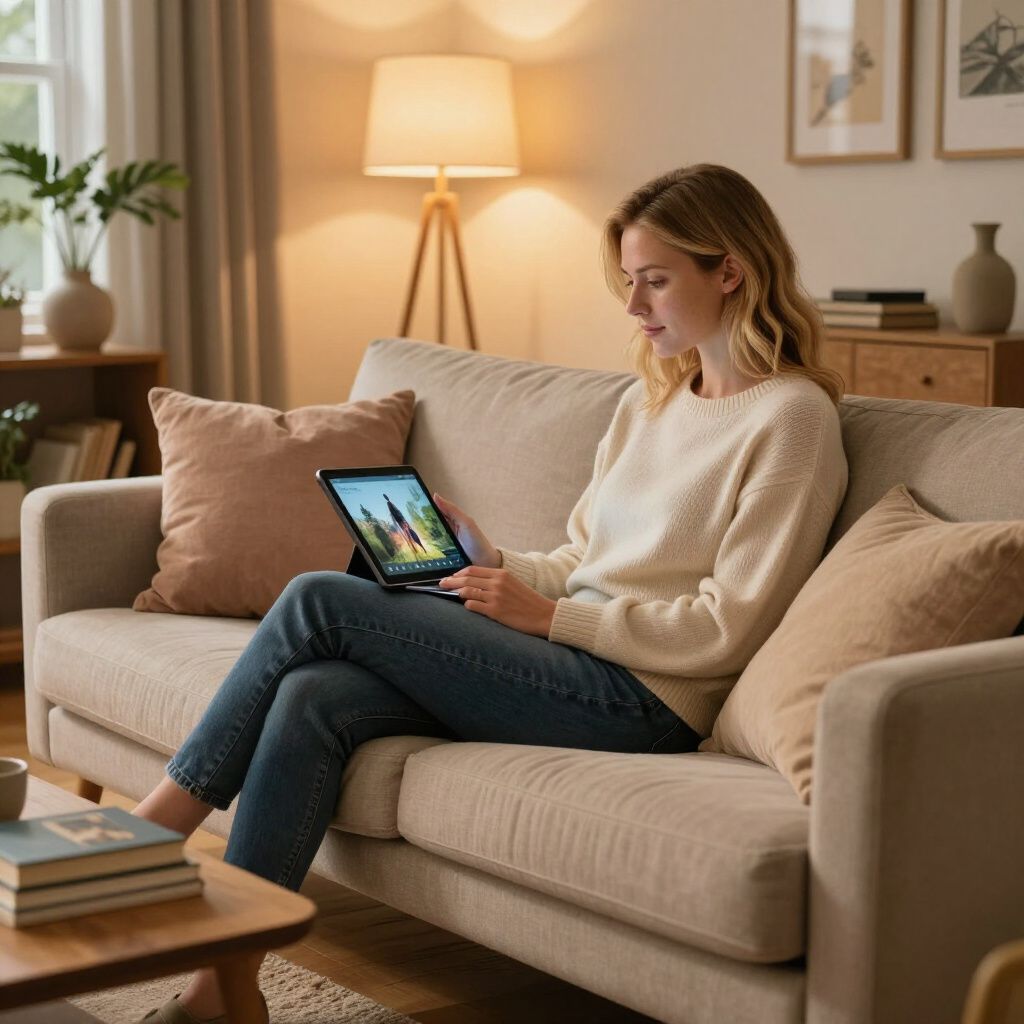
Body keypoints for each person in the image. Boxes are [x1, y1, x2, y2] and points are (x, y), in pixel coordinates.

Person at [132, 163, 848, 1023]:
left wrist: (552, 616)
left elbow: (727, 628)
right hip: (567, 653)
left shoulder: (793, 420)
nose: (633, 306)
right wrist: (494, 559)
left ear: (729, 270)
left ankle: (148, 835)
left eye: (655, 281)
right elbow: (586, 554)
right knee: (314, 694)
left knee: (322, 600)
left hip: (645, 699)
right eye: (629, 281)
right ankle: (228, 984)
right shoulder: (652, 402)